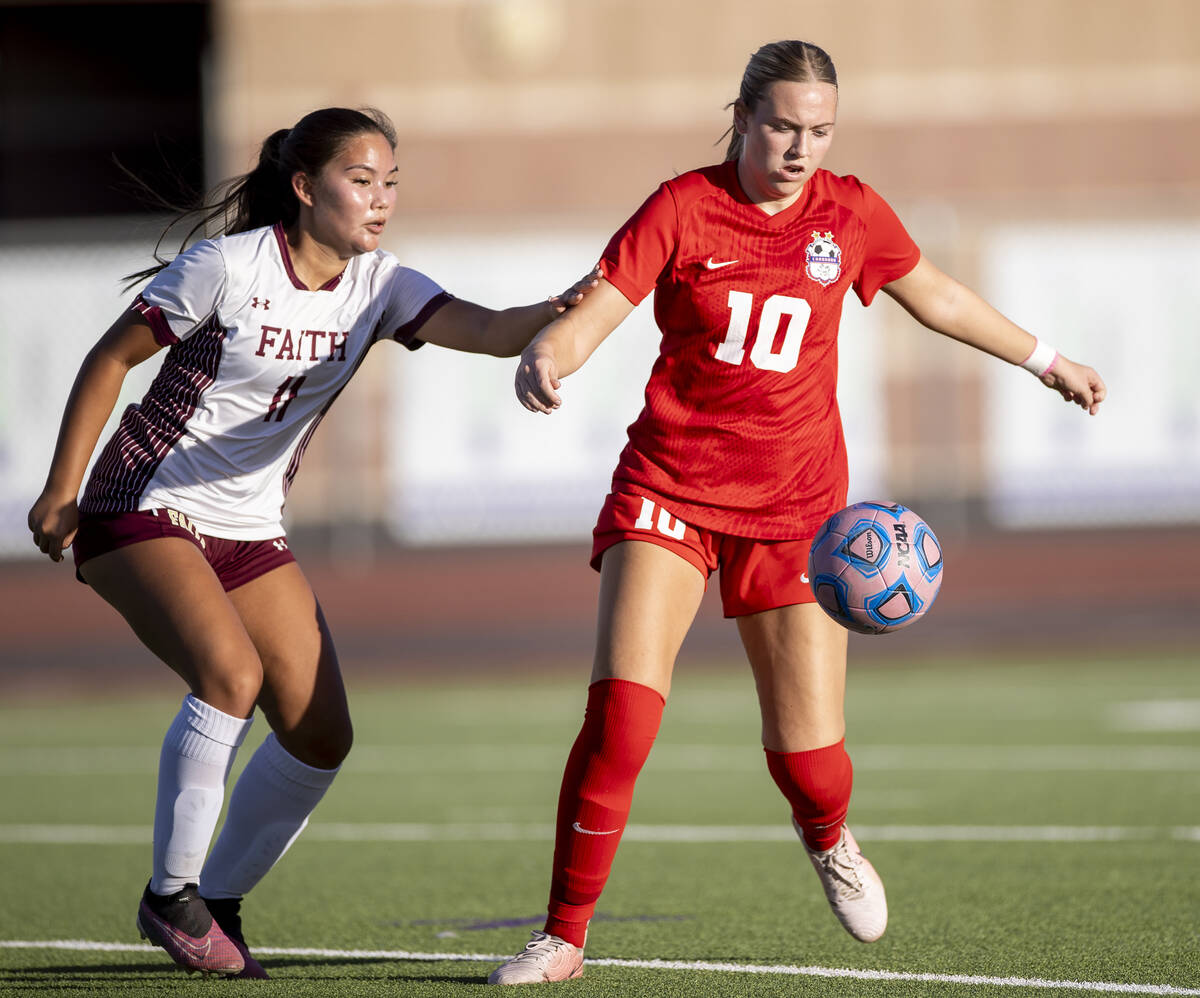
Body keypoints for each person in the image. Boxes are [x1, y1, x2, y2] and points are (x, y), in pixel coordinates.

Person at [487, 40, 1107, 985]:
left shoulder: (849, 211)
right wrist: (552, 354)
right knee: (621, 721)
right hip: (668, 488)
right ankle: (563, 936)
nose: (799, 147)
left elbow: (932, 293)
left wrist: (1046, 360)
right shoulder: (682, 206)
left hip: (795, 509)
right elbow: (603, 299)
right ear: (739, 117)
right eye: (782, 125)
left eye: (818, 130)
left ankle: (828, 836)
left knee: (812, 759)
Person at [26, 106, 598, 980]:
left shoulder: (382, 283)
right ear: (304, 187)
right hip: (145, 502)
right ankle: (169, 894)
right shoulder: (229, 265)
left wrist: (570, 306)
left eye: (390, 184)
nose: (379, 201)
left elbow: (488, 332)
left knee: (322, 733)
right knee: (231, 677)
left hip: (251, 525)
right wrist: (62, 489)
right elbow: (110, 360)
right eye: (360, 181)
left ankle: (215, 901)